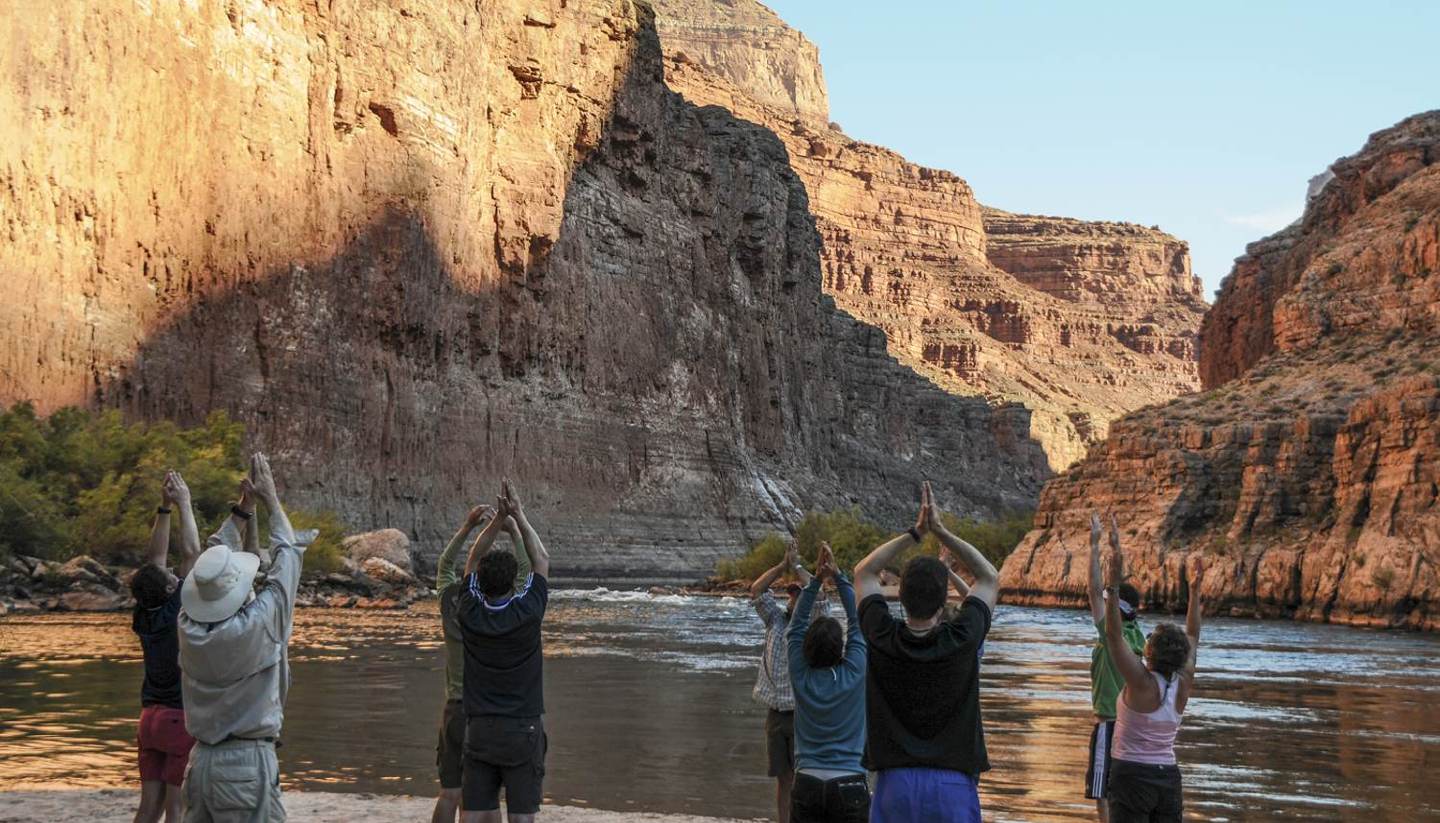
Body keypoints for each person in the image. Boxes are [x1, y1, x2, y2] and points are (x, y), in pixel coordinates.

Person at [853, 481, 1000, 823]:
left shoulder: (881, 635)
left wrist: (916, 532)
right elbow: (988, 577)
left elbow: (864, 572)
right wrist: (941, 531)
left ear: (900, 598)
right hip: (953, 785)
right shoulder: (963, 638)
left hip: (895, 784)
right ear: (943, 602)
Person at [177, 453, 305, 822]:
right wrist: (270, 499)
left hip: (199, 763)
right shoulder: (257, 625)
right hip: (247, 762)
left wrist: (243, 510)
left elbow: (209, 561)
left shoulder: (187, 625)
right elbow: (288, 559)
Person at [456, 479, 551, 823]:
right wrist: (518, 518)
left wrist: (495, 523)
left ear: (479, 582)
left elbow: (472, 556)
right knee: (522, 816)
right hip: (522, 729)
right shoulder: (528, 613)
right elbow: (540, 557)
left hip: (479, 727)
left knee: (474, 813)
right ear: (514, 583)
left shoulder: (469, 611)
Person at [434, 504, 529, 823]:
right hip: (485, 714)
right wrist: (515, 530)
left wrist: (468, 527)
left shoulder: (449, 601)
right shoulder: (495, 616)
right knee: (482, 797)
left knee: (449, 794)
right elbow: (527, 573)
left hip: (453, 708)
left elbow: (445, 564)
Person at [1103, 541, 1204, 823]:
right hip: (1168, 777)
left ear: (1150, 651)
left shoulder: (1141, 682)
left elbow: (1113, 635)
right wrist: (1194, 592)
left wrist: (1112, 585)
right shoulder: (1183, 683)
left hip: (1132, 775)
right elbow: (1194, 635)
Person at [129, 471, 204, 823]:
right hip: (177, 719)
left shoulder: (144, 614)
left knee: (148, 809)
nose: (176, 573)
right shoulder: (178, 610)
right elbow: (191, 551)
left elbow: (154, 562)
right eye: (175, 577)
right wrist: (185, 503)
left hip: (148, 719)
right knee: (175, 809)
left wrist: (164, 508)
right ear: (172, 590)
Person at [785, 543, 869, 822]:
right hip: (850, 782)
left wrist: (817, 582)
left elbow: (795, 627)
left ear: (807, 647)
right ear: (840, 648)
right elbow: (858, 622)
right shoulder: (854, 672)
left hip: (806, 781)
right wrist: (838, 576)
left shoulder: (800, 674)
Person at [750, 541, 830, 823]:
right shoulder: (775, 620)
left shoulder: (814, 623)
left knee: (801, 778)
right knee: (783, 779)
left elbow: (819, 594)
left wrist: (797, 567)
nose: (793, 597)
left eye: (797, 593)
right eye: (792, 593)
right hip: (775, 713)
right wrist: (781, 567)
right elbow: (757, 590)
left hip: (802, 713)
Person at [1086, 513, 1147, 821]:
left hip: (1108, 722)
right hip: (1134, 727)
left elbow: (1094, 590)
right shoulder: (1139, 636)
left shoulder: (1112, 634)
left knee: (1102, 791)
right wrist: (1115, 545)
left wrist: (1095, 546)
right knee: (1125, 792)